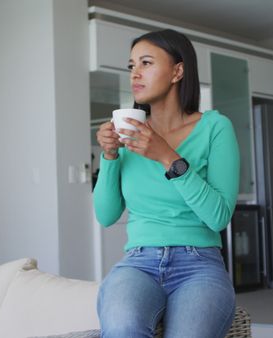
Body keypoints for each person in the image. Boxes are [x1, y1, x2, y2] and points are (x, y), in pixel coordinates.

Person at [93, 28, 240, 338]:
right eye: (131, 65)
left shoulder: (215, 127)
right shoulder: (128, 132)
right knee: (121, 329)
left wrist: (166, 156)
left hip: (199, 263)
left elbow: (219, 216)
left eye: (146, 63)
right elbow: (106, 216)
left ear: (178, 71)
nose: (135, 73)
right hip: (138, 262)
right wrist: (108, 156)